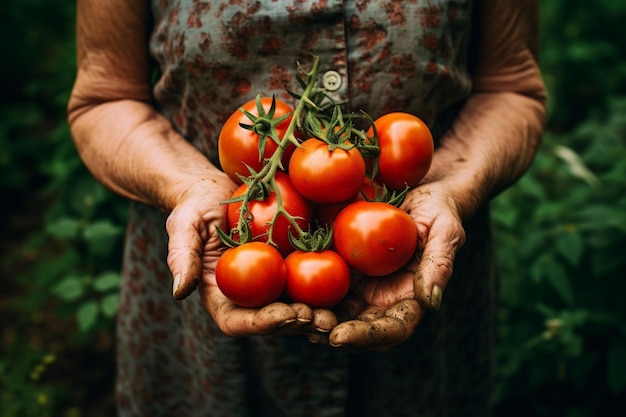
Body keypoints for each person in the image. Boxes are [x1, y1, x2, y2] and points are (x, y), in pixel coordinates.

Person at [67, 0, 546, 415]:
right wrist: (186, 185)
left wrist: (453, 187)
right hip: (211, 270)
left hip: (421, 257)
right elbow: (104, 98)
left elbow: (512, 86)